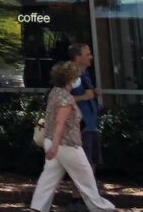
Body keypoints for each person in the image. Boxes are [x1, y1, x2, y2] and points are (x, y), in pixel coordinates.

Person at [30, 60, 116, 212]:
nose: (78, 79)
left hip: (51, 141)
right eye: (77, 76)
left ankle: (38, 207)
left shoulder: (54, 93)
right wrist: (56, 145)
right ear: (71, 78)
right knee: (85, 177)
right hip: (66, 144)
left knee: (49, 177)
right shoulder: (66, 98)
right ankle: (102, 208)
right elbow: (60, 122)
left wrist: (53, 145)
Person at [70, 43, 101, 170]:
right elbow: (60, 99)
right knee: (82, 167)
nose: (91, 57)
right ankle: (81, 190)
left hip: (91, 125)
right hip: (80, 127)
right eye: (87, 55)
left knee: (92, 163)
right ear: (78, 57)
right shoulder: (71, 76)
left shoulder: (85, 75)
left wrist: (94, 93)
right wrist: (84, 97)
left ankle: (88, 190)